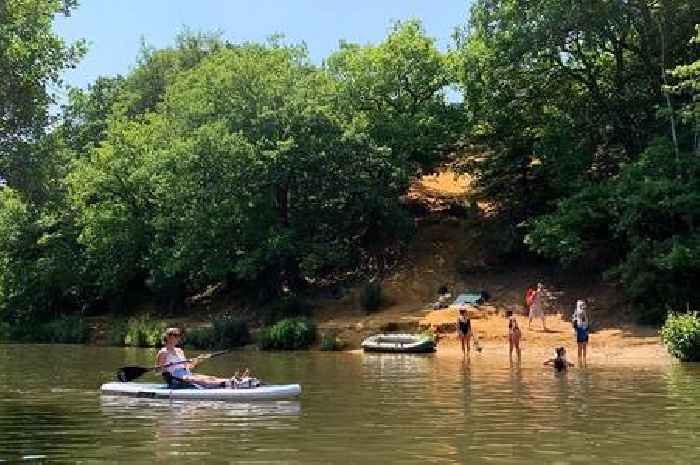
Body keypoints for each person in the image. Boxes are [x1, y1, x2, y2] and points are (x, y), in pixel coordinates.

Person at [156, 327, 258, 389]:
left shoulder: (179, 351)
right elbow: (158, 371)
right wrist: (166, 366)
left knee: (209, 378)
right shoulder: (163, 352)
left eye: (179, 335)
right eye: (175, 335)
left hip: (186, 373)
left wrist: (199, 360)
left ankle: (234, 381)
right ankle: (231, 383)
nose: (178, 338)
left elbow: (189, 367)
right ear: (169, 337)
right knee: (202, 380)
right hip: (175, 378)